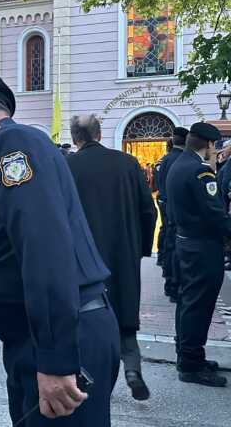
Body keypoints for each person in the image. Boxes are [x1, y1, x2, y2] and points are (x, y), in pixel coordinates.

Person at [0, 73, 120, 426]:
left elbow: (43, 248)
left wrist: (57, 360)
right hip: (32, 340)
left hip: (65, 335)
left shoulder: (13, 145)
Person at [65, 114, 157, 401]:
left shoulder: (67, 165)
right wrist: (140, 247)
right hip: (122, 251)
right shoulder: (127, 163)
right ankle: (132, 368)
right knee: (125, 312)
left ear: (75, 138)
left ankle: (91, 376)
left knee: (87, 314)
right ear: (100, 134)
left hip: (82, 254)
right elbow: (148, 210)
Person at [166, 122, 231, 387]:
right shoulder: (200, 170)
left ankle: (188, 354)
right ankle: (191, 363)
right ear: (209, 144)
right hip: (202, 246)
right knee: (199, 305)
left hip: (186, 241)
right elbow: (214, 210)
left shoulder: (178, 164)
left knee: (188, 301)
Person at [154, 127, 188, 301]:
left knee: (167, 239)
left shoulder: (165, 159)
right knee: (175, 245)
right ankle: (174, 284)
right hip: (176, 208)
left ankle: (168, 277)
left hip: (164, 202)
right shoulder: (183, 160)